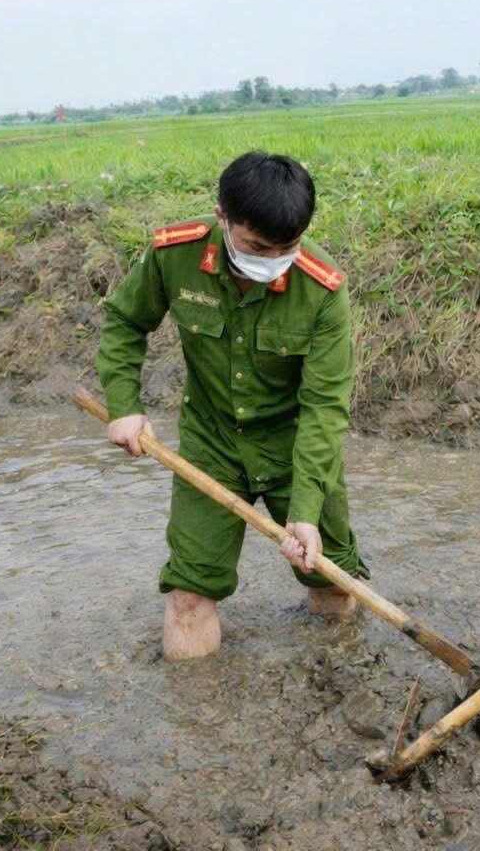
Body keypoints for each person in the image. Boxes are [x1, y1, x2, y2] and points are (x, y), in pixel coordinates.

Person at [96, 151, 366, 660]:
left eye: (286, 248)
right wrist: (124, 404)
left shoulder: (322, 288)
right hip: (211, 445)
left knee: (332, 583)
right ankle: (197, 726)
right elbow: (124, 321)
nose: (271, 259)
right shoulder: (174, 254)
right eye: (257, 246)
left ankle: (336, 681)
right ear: (222, 217)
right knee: (189, 597)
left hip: (296, 454)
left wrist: (306, 511)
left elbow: (325, 407)